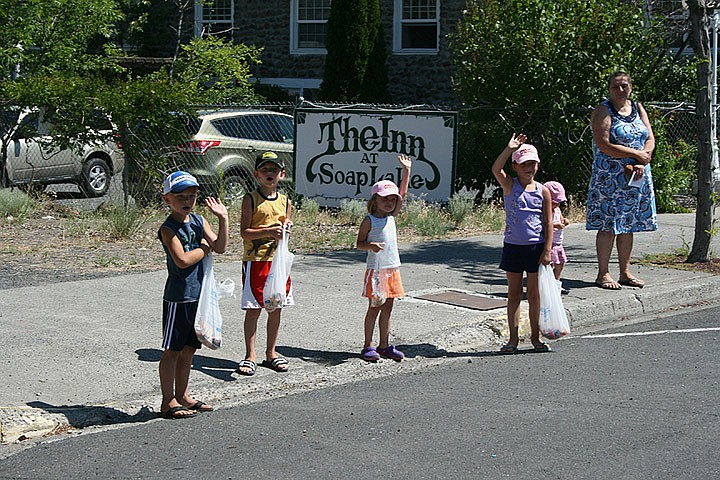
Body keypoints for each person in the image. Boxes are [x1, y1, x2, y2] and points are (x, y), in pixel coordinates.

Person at [158, 171, 229, 419]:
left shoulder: (199, 221)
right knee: (172, 350)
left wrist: (223, 218)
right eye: (180, 196)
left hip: (199, 297)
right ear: (167, 199)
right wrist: (203, 247)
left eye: (191, 195)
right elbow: (183, 260)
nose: (186, 201)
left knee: (189, 349)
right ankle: (168, 400)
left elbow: (219, 247)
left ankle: (184, 395)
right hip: (179, 297)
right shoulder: (168, 229)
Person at [587, 71, 657, 290]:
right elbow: (604, 144)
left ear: (631, 87)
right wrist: (636, 155)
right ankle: (603, 273)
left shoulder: (637, 108)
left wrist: (643, 158)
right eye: (616, 86)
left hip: (636, 174)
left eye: (624, 85)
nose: (620, 90)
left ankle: (625, 272)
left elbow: (649, 138)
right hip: (610, 177)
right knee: (608, 224)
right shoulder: (603, 110)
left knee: (628, 224)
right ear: (609, 89)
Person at [491, 134, 553, 353]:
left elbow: (548, 222)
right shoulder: (510, 185)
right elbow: (496, 169)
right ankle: (513, 339)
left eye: (533, 164)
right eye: (524, 164)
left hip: (535, 247)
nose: (529, 168)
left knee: (534, 295)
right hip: (513, 247)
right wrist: (509, 149)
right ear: (516, 166)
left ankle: (536, 338)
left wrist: (547, 250)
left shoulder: (542, 190)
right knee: (514, 293)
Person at [237, 151, 293, 376]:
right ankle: (250, 355)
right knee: (254, 309)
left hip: (277, 262)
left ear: (282, 174)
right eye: (265, 170)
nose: (269, 174)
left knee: (276, 307)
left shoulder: (285, 200)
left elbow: (287, 225)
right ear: (256, 174)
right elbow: (244, 232)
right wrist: (269, 231)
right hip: (256, 261)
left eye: (274, 170)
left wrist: (286, 229)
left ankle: (271, 352)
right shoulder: (250, 199)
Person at [356, 154, 412, 362]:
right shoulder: (369, 220)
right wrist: (370, 245)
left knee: (388, 307)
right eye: (384, 199)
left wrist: (406, 170)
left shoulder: (391, 217)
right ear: (375, 200)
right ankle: (367, 345)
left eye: (392, 199)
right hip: (376, 271)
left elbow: (403, 193)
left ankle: (384, 345)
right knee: (374, 308)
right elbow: (359, 243)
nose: (389, 203)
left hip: (392, 269)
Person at [544, 180, 571, 295]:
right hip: (549, 243)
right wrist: (554, 225)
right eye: (554, 202)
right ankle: (547, 286)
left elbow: (560, 218)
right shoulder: (544, 210)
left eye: (558, 202)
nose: (556, 205)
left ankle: (556, 282)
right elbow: (543, 223)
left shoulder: (557, 209)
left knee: (560, 263)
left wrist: (565, 221)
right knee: (548, 266)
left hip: (558, 243)